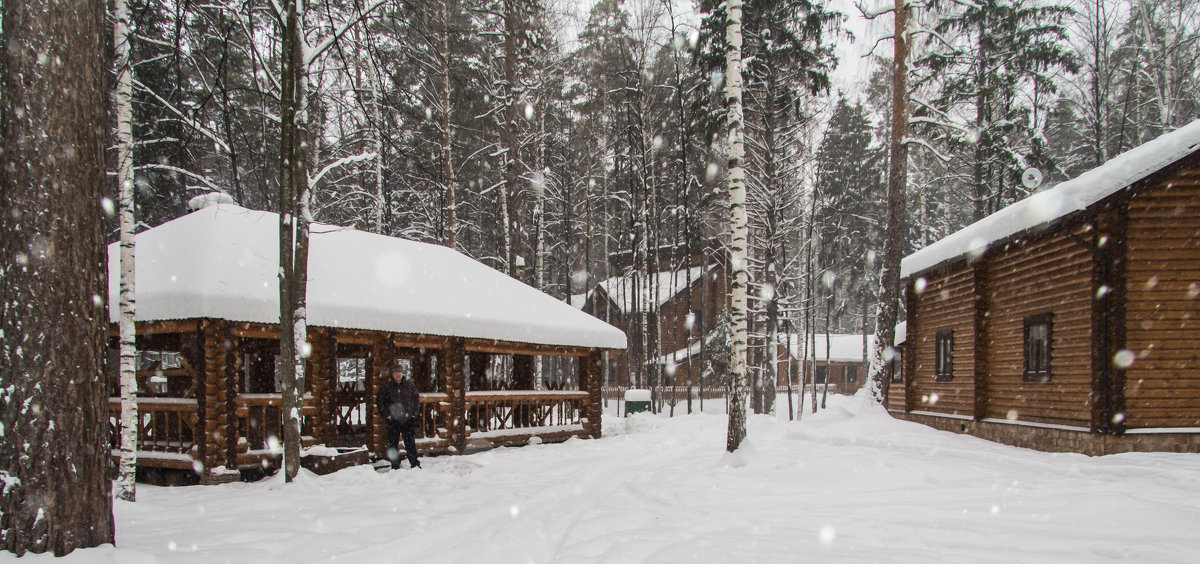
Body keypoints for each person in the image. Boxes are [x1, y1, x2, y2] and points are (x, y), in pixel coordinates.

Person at [375, 363, 421, 470]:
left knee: (410, 444)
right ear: (392, 374)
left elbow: (416, 400)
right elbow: (380, 401)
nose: (398, 374)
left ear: (402, 373)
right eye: (395, 373)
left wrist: (414, 414)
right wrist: (386, 415)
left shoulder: (410, 385)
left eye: (399, 372)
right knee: (393, 444)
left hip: (407, 420)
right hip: (393, 420)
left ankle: (414, 464)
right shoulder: (387, 386)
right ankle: (395, 465)